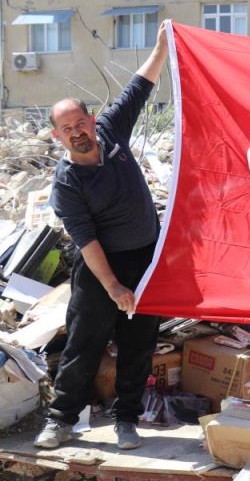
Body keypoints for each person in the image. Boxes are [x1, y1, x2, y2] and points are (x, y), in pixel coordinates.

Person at [34, 22, 168, 450]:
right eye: (66, 128)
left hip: (146, 259)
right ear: (58, 136)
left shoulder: (112, 132)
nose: (77, 132)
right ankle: (60, 420)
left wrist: (163, 46)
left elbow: (141, 84)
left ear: (91, 120)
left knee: (138, 345)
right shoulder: (67, 183)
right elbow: (87, 242)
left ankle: (126, 420)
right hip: (99, 269)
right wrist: (113, 288)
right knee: (83, 343)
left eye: (80, 122)